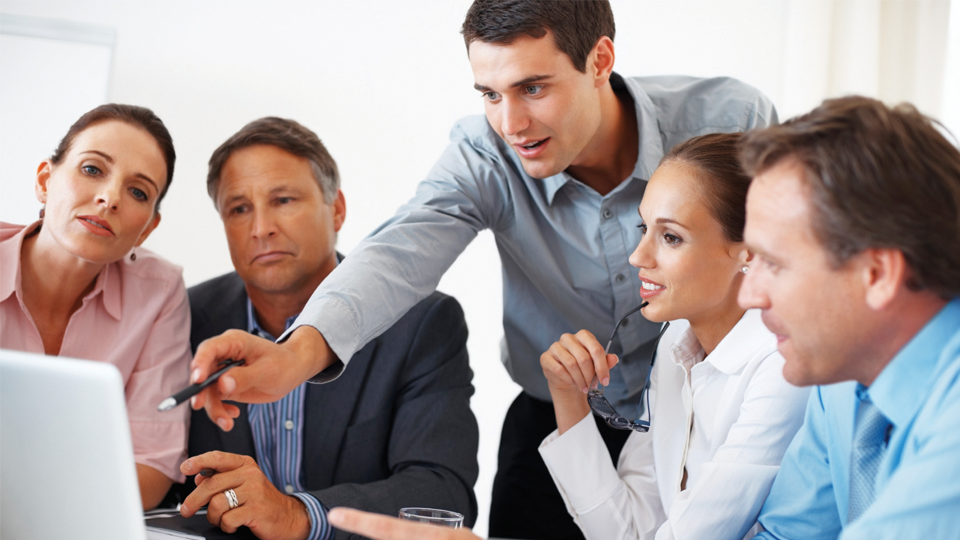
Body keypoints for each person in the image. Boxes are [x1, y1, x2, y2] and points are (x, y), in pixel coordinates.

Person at [188, 2, 776, 537]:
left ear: (600, 59)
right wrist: (297, 355)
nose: (511, 123)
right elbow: (400, 251)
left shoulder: (730, 119)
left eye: (533, 87)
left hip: (717, 403)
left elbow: (793, 254)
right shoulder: (484, 154)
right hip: (558, 414)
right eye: (490, 94)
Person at [168, 117, 479, 540]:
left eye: (283, 200)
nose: (261, 228)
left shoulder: (421, 323)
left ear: (336, 209)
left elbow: (443, 496)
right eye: (239, 209)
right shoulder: (184, 316)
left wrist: (297, 515)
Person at [536, 133, 809, 540]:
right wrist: (568, 396)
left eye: (671, 237)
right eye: (644, 227)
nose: (638, 257)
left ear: (750, 250)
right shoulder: (676, 341)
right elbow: (626, 531)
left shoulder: (783, 366)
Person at [735, 97, 960, 538]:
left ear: (877, 274)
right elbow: (787, 534)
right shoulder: (843, 373)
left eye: (773, 263)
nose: (748, 295)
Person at [0, 104, 190, 510]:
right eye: (92, 169)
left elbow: (151, 465)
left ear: (147, 228)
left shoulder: (160, 292)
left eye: (138, 192)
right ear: (44, 181)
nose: (109, 198)